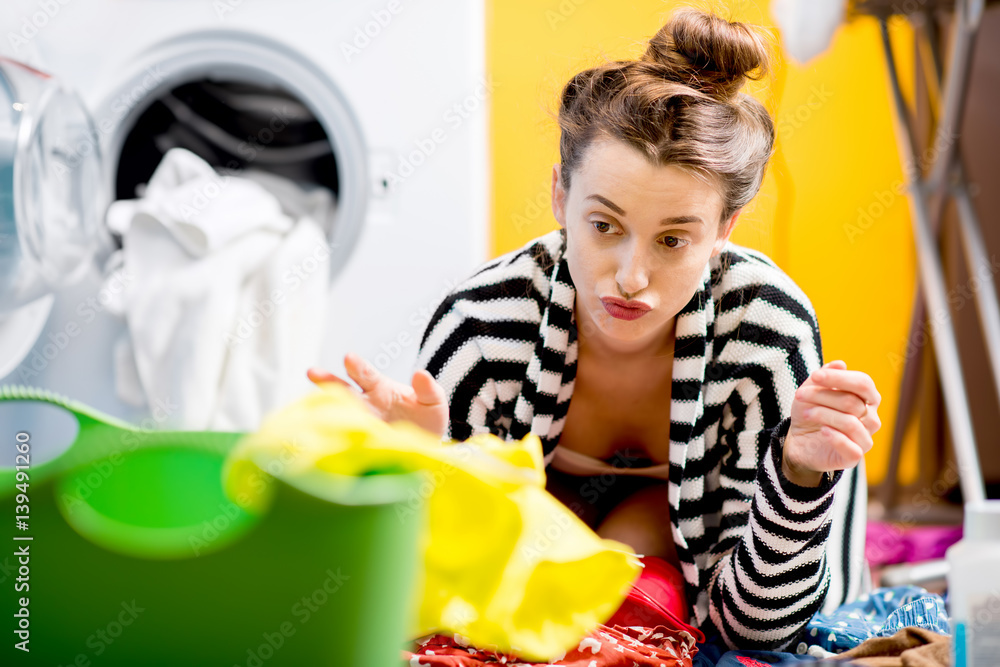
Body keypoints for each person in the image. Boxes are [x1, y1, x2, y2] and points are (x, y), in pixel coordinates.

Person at [308, 8, 881, 652]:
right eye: (604, 225)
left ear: (724, 228)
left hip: (721, 583)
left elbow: (761, 630)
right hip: (551, 554)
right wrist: (419, 465)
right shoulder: (482, 327)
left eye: (673, 239)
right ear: (559, 197)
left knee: (650, 551)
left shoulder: (765, 330)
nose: (631, 276)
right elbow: (437, 589)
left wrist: (800, 475)